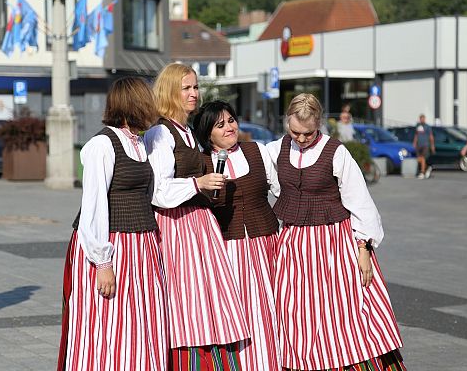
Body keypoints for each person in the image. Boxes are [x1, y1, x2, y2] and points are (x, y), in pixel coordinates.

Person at [267, 93, 405, 371]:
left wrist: (364, 248)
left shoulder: (336, 152)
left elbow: (360, 201)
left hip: (334, 243)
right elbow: (264, 180)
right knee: (295, 310)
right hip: (293, 243)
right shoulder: (274, 150)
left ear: (318, 123)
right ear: (286, 124)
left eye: (308, 133)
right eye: (295, 132)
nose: (302, 138)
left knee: (341, 313)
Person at [57, 77, 168, 370]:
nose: (152, 108)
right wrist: (103, 264)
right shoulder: (102, 145)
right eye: (147, 102)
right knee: (109, 323)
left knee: (140, 321)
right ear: (133, 105)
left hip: (140, 245)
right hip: (112, 244)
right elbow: (94, 205)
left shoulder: (141, 143)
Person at [144, 63, 249, 370]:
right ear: (170, 92)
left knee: (206, 299)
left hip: (197, 223)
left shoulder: (187, 131)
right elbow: (158, 191)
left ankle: (210, 360)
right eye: (186, 88)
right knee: (186, 300)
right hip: (175, 225)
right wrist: (198, 183)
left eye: (195, 87)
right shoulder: (160, 132)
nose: (193, 93)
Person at [193, 100, 282, 371]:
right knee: (241, 311)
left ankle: (276, 362)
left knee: (271, 307)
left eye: (231, 120)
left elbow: (280, 190)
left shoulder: (258, 151)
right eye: (220, 125)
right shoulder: (202, 164)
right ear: (208, 133)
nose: (229, 127)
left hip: (266, 242)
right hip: (227, 249)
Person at [412, 114, 435, 179]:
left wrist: (432, 145)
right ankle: (427, 168)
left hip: (425, 145)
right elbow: (416, 135)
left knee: (423, 158)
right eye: (421, 118)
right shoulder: (418, 126)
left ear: (425, 119)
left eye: (423, 118)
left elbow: (431, 136)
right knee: (419, 159)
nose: (422, 119)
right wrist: (414, 143)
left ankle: (422, 172)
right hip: (419, 145)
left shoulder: (427, 127)